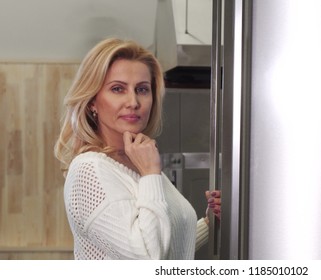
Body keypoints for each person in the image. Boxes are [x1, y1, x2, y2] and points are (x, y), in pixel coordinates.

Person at [54, 38, 220, 260]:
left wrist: (210, 223)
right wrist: (150, 174)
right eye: (117, 89)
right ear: (92, 100)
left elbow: (164, 245)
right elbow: (147, 258)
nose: (133, 101)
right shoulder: (89, 169)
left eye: (142, 89)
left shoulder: (136, 163)